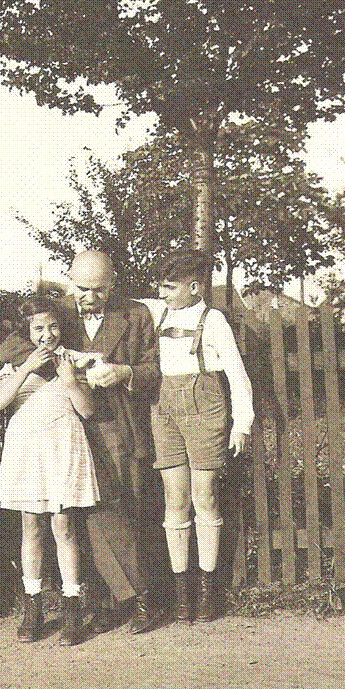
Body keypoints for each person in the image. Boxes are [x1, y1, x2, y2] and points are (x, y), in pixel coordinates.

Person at [0, 251, 161, 635]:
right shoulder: (58, 312)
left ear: (113, 282)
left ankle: (141, 599)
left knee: (116, 511)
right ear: (70, 280)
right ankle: (102, 602)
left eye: (99, 290)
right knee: (75, 520)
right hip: (65, 428)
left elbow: (154, 368)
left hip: (113, 424)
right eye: (82, 288)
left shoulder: (136, 314)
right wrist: (71, 361)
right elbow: (11, 348)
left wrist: (123, 371)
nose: (89, 298)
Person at [142, 250, 254, 622]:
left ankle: (208, 588)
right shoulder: (158, 313)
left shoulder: (214, 319)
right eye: (160, 286)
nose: (162, 293)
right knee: (174, 499)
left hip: (205, 407)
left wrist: (242, 424)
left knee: (203, 495)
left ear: (194, 287)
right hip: (165, 411)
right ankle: (182, 591)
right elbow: (123, 304)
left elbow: (236, 374)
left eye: (169, 287)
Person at [0, 297, 100, 646]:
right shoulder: (14, 363)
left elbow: (87, 411)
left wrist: (70, 381)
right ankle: (33, 605)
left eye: (53, 326)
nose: (47, 334)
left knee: (64, 526)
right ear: (26, 330)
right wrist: (26, 368)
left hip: (63, 444)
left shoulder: (71, 360)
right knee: (31, 526)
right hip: (27, 447)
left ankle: (72, 606)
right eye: (38, 328)